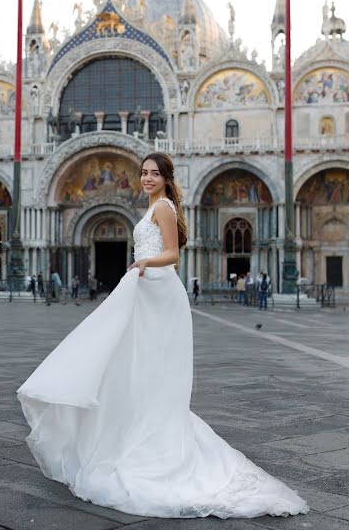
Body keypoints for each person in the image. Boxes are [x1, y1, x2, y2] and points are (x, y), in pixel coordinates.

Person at [17, 152, 308, 519]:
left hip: (159, 290)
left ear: (167, 178)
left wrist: (142, 262)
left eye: (155, 173)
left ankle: (156, 446)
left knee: (146, 366)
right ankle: (130, 435)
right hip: (146, 289)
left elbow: (172, 255)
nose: (147, 178)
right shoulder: (151, 207)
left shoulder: (165, 208)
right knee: (127, 362)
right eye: (144, 173)